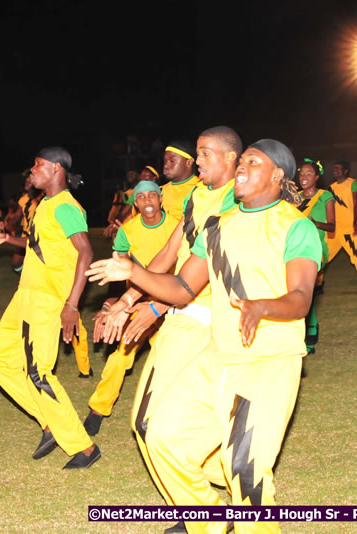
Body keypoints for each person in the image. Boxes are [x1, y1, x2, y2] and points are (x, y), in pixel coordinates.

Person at [86, 138, 321, 534]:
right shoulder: (216, 226)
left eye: (253, 161)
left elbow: (300, 297)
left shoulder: (296, 227)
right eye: (242, 161)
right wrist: (133, 274)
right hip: (218, 357)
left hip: (267, 362)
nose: (242, 166)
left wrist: (263, 306)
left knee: (244, 469)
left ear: (278, 175)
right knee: (161, 436)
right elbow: (181, 287)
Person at [94, 126, 241, 532]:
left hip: (203, 319)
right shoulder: (198, 197)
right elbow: (170, 252)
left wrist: (155, 305)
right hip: (180, 315)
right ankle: (205, 504)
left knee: (150, 424)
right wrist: (127, 300)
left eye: (206, 154)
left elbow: (203, 273)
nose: (199, 161)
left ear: (231, 157)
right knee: (147, 424)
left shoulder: (235, 202)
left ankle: (209, 516)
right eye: (198, 153)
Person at [0, 147, 100, 468]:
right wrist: (8, 239)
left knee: (39, 372)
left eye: (38, 164)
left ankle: (83, 447)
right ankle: (49, 422)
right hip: (25, 295)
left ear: (57, 169)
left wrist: (72, 304)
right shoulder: (44, 204)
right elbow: (39, 244)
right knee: (0, 362)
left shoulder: (65, 206)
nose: (32, 169)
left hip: (48, 298)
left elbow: (86, 253)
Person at [83, 180, 179, 435]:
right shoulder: (127, 230)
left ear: (160, 198)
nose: (147, 201)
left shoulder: (176, 227)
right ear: (135, 203)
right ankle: (98, 409)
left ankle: (161, 415)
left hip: (171, 303)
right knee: (120, 356)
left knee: (169, 360)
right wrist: (110, 303)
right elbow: (117, 274)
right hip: (136, 302)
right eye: (141, 197)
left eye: (152, 195)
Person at [297, 157, 335, 353]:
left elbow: (332, 226)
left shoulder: (325, 196)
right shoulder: (294, 197)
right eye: (302, 173)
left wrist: (314, 223)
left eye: (309, 173)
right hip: (296, 248)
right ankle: (302, 330)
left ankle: (310, 332)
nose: (304, 177)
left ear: (317, 177)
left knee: (307, 288)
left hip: (317, 248)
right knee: (297, 290)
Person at [325, 160, 357, 293]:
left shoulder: (354, 184)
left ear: (346, 171)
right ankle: (317, 286)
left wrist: (354, 223)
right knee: (322, 258)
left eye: (338, 168)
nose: (335, 171)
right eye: (334, 168)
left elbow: (356, 203)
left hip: (349, 229)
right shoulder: (331, 188)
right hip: (334, 230)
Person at [160, 140, 201, 220]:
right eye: (165, 161)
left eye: (172, 161)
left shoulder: (200, 189)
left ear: (188, 162)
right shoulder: (159, 191)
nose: (166, 166)